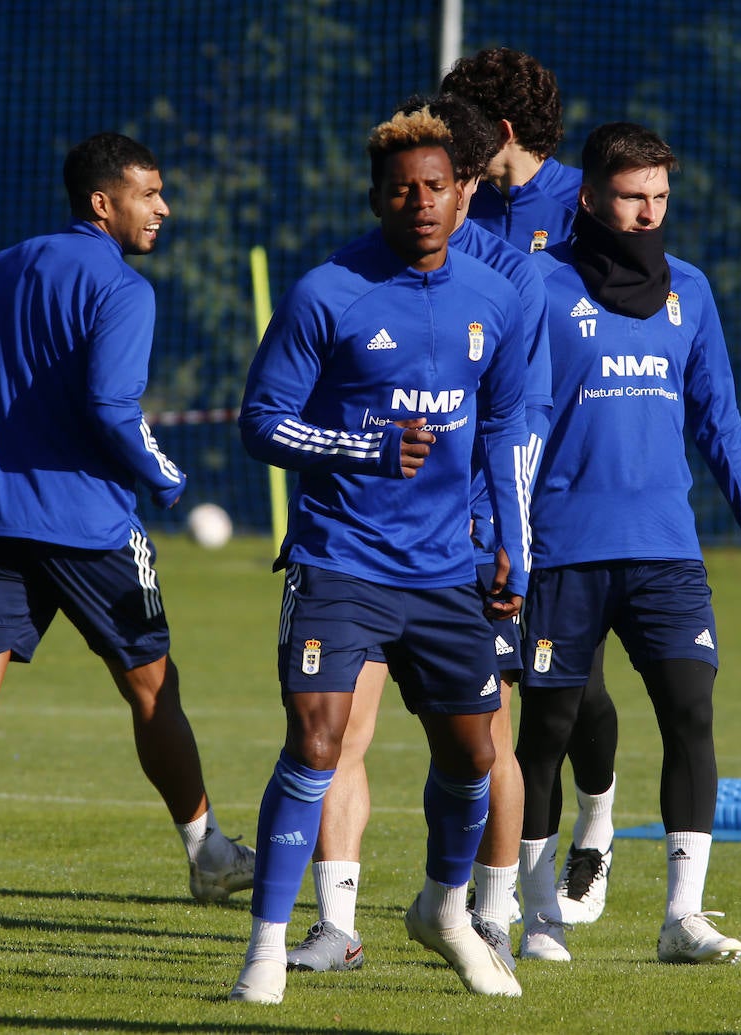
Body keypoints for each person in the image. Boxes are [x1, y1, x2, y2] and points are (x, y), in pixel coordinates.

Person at [0, 132, 254, 910]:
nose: (163, 207)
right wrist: (166, 476)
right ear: (104, 203)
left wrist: (22, 375)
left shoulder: (11, 263)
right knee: (154, 687)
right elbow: (111, 407)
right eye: (149, 193)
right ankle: (209, 856)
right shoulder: (126, 289)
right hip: (90, 527)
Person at [229, 106, 532, 1005]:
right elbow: (260, 423)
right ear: (378, 197)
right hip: (340, 560)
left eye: (436, 186)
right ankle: (267, 948)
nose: (422, 202)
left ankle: (443, 908)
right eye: (403, 188)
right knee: (316, 740)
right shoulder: (328, 291)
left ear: (459, 193)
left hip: (447, 570)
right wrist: (360, 446)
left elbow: (509, 423)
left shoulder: (498, 298)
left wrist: (514, 543)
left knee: (476, 756)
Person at [514, 121, 741, 965]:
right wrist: (502, 530)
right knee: (550, 728)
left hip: (666, 551)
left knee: (690, 710)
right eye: (633, 196)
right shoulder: (536, 281)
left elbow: (718, 418)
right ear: (592, 196)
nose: (647, 213)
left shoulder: (693, 292)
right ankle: (537, 917)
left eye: (660, 198)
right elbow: (515, 417)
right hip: (560, 549)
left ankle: (683, 916)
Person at [443, 47, 620, 924]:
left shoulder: (584, 202)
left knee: (567, 680)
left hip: (567, 474)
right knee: (535, 682)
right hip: (482, 484)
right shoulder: (458, 208)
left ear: (497, 134)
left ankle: (596, 821)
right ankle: (494, 886)